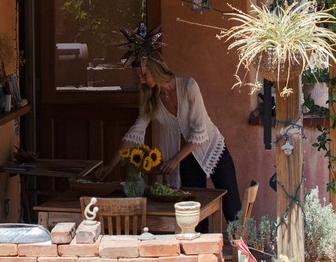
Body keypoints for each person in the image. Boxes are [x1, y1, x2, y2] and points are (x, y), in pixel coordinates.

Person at [97, 27, 241, 224]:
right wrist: (111, 164)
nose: (141, 79)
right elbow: (135, 133)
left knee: (233, 208)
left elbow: (201, 133)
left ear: (155, 69)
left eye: (144, 74)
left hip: (212, 149)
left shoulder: (189, 86)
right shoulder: (152, 100)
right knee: (195, 214)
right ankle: (200, 252)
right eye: (139, 75)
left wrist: (174, 160)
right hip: (186, 158)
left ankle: (243, 251)